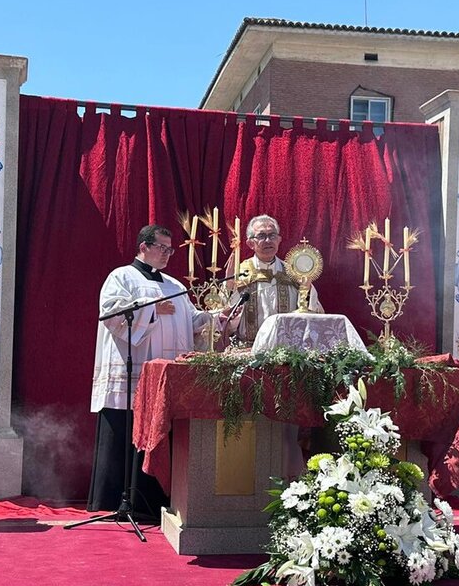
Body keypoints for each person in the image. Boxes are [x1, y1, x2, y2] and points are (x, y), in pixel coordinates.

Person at [90, 225, 213, 514]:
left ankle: (155, 501)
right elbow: (110, 315)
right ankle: (117, 500)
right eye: (162, 247)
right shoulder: (121, 277)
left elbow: (191, 322)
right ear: (143, 247)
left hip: (165, 380)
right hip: (132, 375)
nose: (168, 254)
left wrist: (215, 319)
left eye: (171, 249)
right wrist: (152, 309)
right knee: (126, 432)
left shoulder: (175, 285)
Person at [222, 215, 324, 345]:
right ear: (250, 243)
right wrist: (229, 286)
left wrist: (307, 288)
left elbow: (313, 311)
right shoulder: (240, 273)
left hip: (285, 349)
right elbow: (224, 315)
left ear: (279, 240)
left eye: (272, 235)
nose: (268, 240)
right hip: (248, 348)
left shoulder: (293, 272)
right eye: (261, 236)